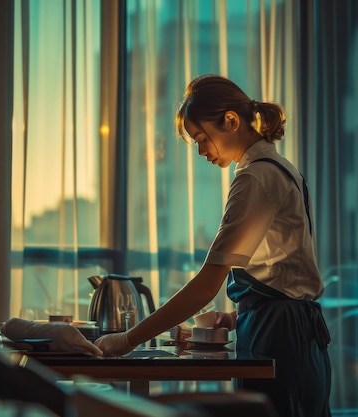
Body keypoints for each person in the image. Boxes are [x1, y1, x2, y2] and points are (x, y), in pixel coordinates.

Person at [95, 74, 332, 417]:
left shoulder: (255, 177)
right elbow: (286, 272)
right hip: (288, 328)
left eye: (202, 138)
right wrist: (235, 317)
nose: (202, 151)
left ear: (231, 121)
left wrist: (127, 340)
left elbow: (208, 283)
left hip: (281, 334)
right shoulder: (282, 169)